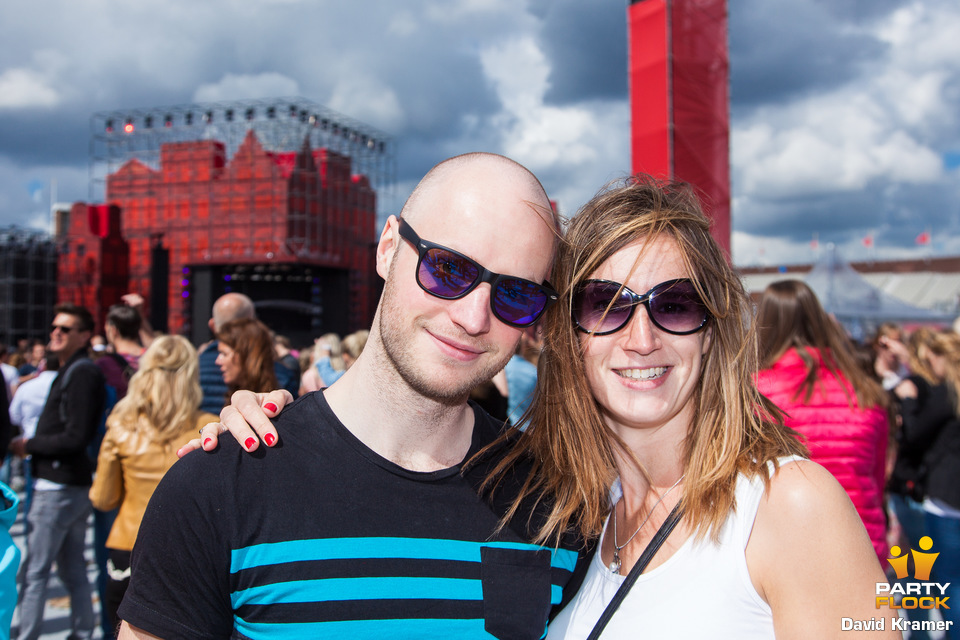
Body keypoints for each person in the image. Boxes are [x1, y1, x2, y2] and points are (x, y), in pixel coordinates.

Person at [200, 176, 893, 638]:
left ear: (712, 330)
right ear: (566, 334)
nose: (641, 336)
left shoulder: (788, 506)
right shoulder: (568, 509)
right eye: (606, 304)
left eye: (675, 305)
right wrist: (268, 431)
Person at [118, 152, 581, 639]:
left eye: (516, 295)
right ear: (387, 248)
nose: (473, 317)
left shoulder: (556, 503)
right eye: (448, 270)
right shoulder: (218, 484)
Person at [89, 336, 219, 636]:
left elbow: (103, 498)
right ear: (191, 374)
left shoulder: (121, 425)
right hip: (187, 555)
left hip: (127, 547)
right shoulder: (209, 428)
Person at [755, 279, 891, 562]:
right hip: (862, 539)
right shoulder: (865, 390)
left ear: (764, 323)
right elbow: (877, 477)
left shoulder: (756, 392)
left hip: (786, 543)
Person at [9, 303, 105, 640]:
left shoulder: (81, 372)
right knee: (71, 568)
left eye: (64, 329)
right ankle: (80, 632)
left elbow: (76, 436)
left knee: (37, 571)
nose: (56, 333)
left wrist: (29, 445)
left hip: (59, 486)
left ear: (83, 336)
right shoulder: (73, 370)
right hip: (65, 483)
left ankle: (28, 635)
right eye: (54, 328)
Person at [892, 329, 960, 636]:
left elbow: (916, 434)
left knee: (949, 581)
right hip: (947, 495)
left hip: (947, 499)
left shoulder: (949, 392)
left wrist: (907, 402)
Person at [215, 318, 278, 402]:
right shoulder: (232, 395)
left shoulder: (273, 401)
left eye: (224, 354)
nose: (217, 361)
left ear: (247, 356)